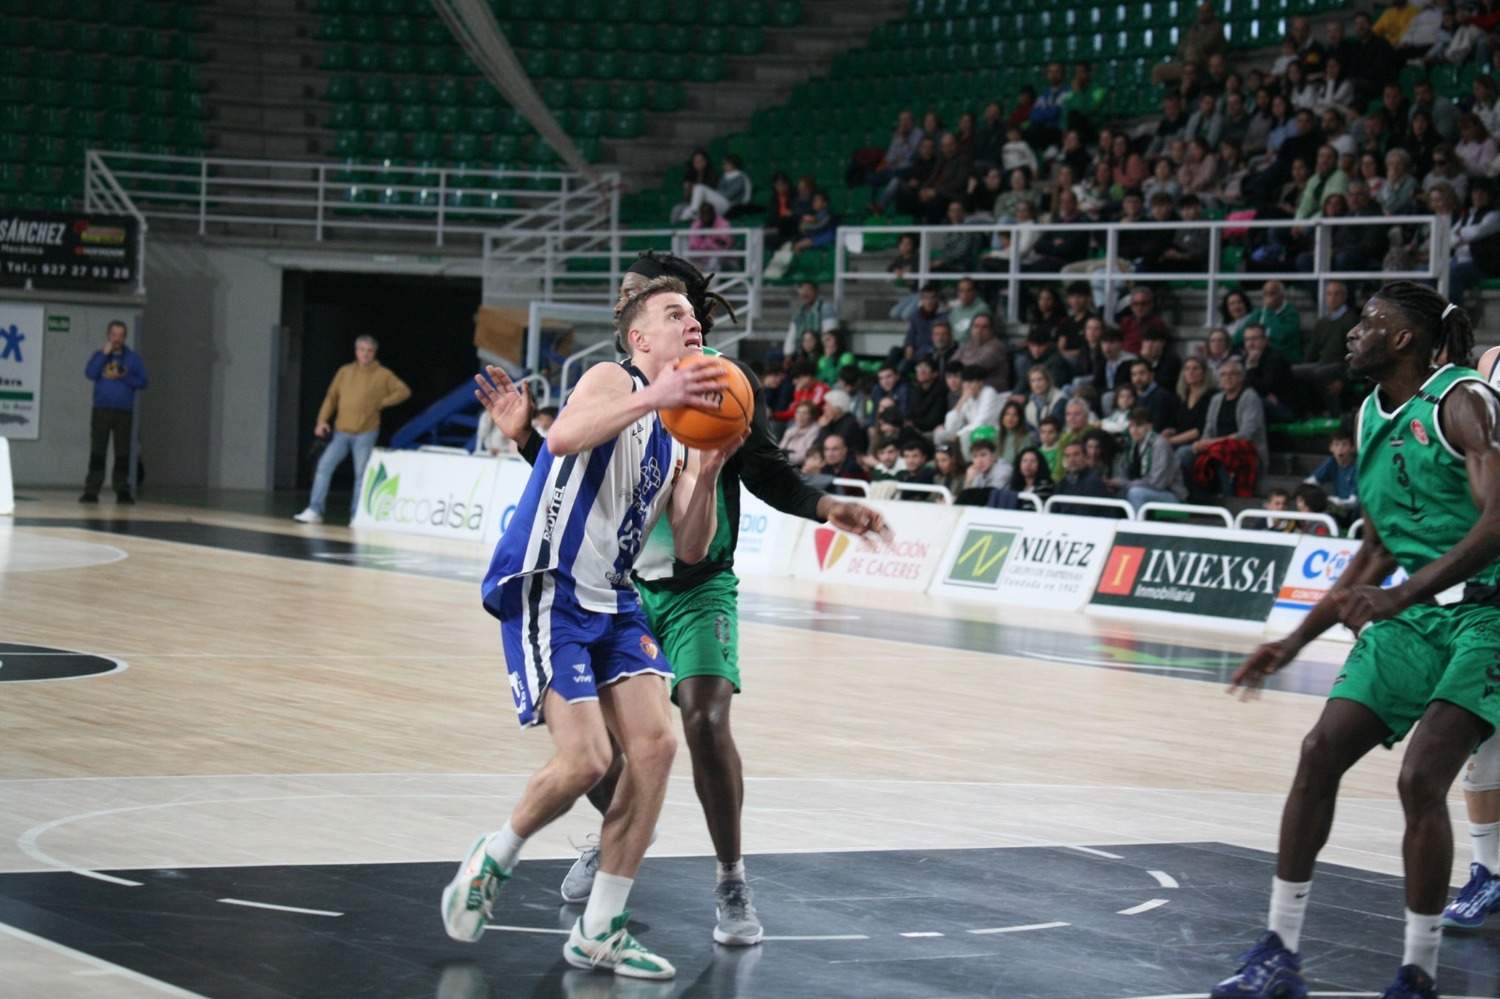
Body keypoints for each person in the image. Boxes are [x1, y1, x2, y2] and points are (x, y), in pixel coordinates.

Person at [473, 257, 890, 955]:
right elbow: (580, 476)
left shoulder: (720, 382)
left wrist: (825, 507)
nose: (622, 303)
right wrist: (525, 440)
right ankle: (620, 837)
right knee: (606, 754)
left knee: (700, 718)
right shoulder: (622, 382)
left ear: (680, 310)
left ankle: (731, 878)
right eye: (625, 297)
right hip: (623, 585)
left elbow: (765, 470)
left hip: (698, 583)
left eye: (636, 294)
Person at [1214, 282, 1500, 999]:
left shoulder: (1463, 401)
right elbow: (1375, 548)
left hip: (1489, 616)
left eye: (1369, 321)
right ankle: (1279, 952)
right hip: (1418, 616)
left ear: (1404, 339)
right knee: (1319, 751)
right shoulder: (1371, 413)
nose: (1351, 331)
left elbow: (1498, 521)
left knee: (1420, 778)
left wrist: (1402, 593)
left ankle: (1418, 973)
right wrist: (1293, 641)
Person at [442, 275, 731, 980]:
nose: (691, 322)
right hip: (551, 584)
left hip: (615, 597)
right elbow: (567, 438)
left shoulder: (681, 432)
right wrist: (655, 395)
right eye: (675, 314)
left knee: (657, 748)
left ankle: (600, 927)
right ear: (640, 338)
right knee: (588, 761)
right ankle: (492, 858)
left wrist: (710, 466)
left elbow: (692, 545)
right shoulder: (612, 379)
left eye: (694, 315)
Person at [294, 335, 410, 524]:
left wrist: (382, 403)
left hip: (366, 432)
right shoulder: (344, 372)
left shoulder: (383, 374)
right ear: (356, 351)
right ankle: (315, 509)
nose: (365, 354)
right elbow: (331, 397)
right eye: (362, 350)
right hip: (341, 431)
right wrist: (322, 421)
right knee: (324, 466)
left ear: (374, 353)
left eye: (369, 351)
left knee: (361, 474)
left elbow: (403, 391)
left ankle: (356, 516)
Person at [81, 319, 148, 504]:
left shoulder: (133, 359)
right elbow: (90, 373)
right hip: (101, 410)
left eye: (120, 335)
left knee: (122, 452)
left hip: (124, 412)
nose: (116, 339)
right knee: (97, 451)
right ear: (108, 335)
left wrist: (125, 376)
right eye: (113, 335)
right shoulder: (99, 355)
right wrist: (104, 355)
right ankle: (92, 490)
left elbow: (143, 381)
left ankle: (122, 490)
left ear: (125, 337)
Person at [1111, 407, 1187, 510]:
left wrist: (1124, 483)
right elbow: (1123, 472)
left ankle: (1137, 521)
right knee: (1115, 493)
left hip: (1171, 495)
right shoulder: (1132, 444)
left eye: (1139, 425)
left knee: (1135, 493)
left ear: (1149, 426)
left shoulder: (1160, 444)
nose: (1134, 430)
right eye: (1131, 426)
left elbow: (1158, 483)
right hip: (1145, 489)